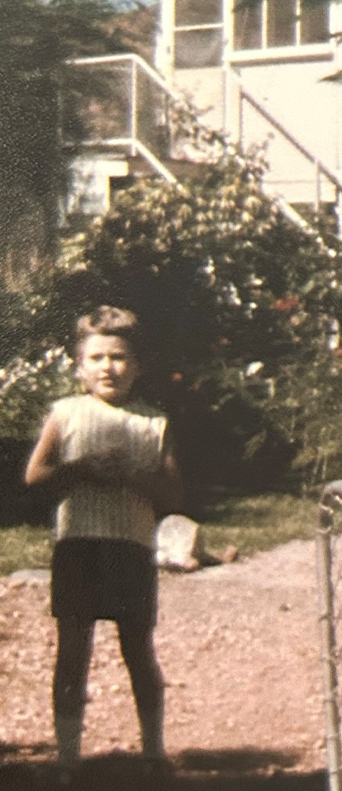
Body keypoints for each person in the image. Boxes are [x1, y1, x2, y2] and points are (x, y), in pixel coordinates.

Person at [22, 306, 180, 776]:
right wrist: (81, 469)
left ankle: (153, 751)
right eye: (96, 358)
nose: (108, 367)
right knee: (73, 652)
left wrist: (134, 477)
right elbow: (35, 475)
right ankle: (68, 758)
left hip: (131, 548)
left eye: (119, 357)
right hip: (79, 548)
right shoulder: (66, 413)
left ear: (138, 366)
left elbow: (175, 494)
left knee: (138, 651)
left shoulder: (154, 423)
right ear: (80, 367)